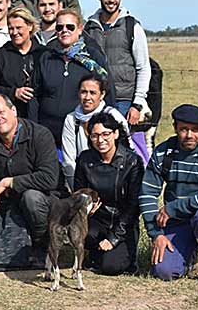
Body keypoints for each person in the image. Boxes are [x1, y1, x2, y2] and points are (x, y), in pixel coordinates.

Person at [140, 104, 198, 280]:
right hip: (178, 222)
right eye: (184, 129)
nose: (189, 135)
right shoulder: (163, 152)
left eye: (195, 130)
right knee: (163, 272)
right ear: (175, 128)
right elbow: (147, 194)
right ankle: (188, 258)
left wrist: (172, 208)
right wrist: (156, 234)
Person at [0, 93, 60, 256]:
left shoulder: (40, 135)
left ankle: (43, 247)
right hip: (10, 205)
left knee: (31, 198)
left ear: (13, 110)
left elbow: (50, 179)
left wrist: (10, 182)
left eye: (0, 112)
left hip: (46, 202)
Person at [85, 0, 152, 166]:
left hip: (125, 99)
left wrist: (137, 103)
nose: (111, 0)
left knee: (131, 148)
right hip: (97, 99)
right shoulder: (89, 28)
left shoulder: (131, 26)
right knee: (100, 147)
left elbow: (143, 66)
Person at [27, 8, 114, 150]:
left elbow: (108, 91)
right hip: (47, 134)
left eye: (70, 27)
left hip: (82, 132)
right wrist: (34, 128)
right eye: (59, 27)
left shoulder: (93, 57)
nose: (64, 30)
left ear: (79, 29)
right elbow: (34, 95)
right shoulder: (47, 56)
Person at [74, 112, 143, 275]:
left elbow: (134, 206)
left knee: (110, 267)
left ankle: (110, 254)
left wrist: (113, 238)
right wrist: (85, 208)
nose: (100, 140)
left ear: (116, 133)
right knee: (80, 233)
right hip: (96, 221)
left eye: (106, 134)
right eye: (95, 135)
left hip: (123, 224)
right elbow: (78, 192)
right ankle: (94, 252)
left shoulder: (132, 162)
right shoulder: (84, 159)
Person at [61, 74, 129, 189]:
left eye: (92, 93)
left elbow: (127, 151)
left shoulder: (113, 116)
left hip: (115, 179)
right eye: (83, 92)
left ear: (102, 95)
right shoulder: (71, 120)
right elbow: (69, 161)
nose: (87, 97)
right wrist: (79, 191)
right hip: (84, 178)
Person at [0, 7, 48, 118]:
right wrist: (14, 93)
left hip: (41, 116)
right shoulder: (0, 55)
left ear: (30, 26)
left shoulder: (44, 54)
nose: (14, 32)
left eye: (19, 28)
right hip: (10, 117)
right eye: (11, 28)